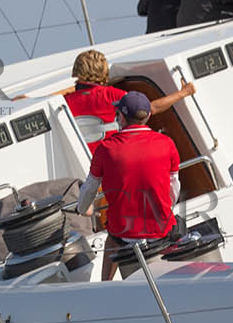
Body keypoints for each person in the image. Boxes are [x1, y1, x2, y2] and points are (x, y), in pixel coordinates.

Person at [76, 90, 181, 281]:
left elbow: (90, 188)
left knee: (112, 237)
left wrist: (82, 209)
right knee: (174, 221)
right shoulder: (167, 143)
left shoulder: (105, 149)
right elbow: (174, 189)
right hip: (162, 229)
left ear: (121, 117)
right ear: (148, 116)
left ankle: (106, 285)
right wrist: (164, 208)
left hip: (125, 234)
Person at [63, 49, 196, 153]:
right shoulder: (110, 95)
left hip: (88, 166)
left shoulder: (65, 101)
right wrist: (183, 93)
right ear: (103, 71)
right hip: (113, 158)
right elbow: (150, 109)